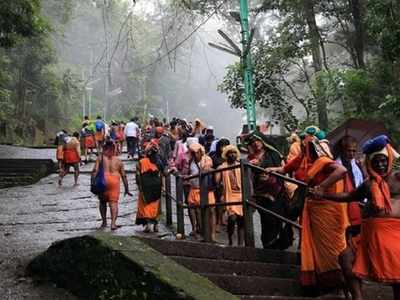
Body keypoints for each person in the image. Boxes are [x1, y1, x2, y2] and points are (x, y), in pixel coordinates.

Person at [312, 135, 400, 300]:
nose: (380, 165)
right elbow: (349, 196)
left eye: (383, 160)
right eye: (376, 162)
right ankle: (358, 298)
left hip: (393, 236)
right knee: (346, 257)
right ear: (369, 163)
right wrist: (324, 194)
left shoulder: (397, 178)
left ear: (389, 160)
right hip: (368, 236)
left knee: (398, 279)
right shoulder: (369, 183)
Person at [244, 131, 293, 250]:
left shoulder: (273, 154)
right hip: (261, 194)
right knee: (267, 219)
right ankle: (268, 245)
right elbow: (248, 177)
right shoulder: (250, 158)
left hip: (277, 192)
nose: (255, 144)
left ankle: (278, 245)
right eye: (252, 142)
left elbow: (283, 169)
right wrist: (250, 166)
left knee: (277, 219)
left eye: (257, 140)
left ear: (262, 141)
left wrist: (274, 172)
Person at [92, 140, 131, 230]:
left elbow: (95, 171)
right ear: (114, 149)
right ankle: (113, 224)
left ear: (105, 148)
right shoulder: (118, 160)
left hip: (103, 181)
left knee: (102, 202)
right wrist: (127, 189)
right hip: (114, 181)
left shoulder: (100, 158)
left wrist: (93, 182)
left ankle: (104, 222)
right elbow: (124, 175)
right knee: (113, 203)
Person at [186, 143, 216, 240]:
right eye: (193, 153)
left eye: (196, 153)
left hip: (206, 189)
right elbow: (189, 172)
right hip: (194, 188)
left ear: (200, 152)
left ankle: (212, 234)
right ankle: (198, 230)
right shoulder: (191, 161)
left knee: (210, 211)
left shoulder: (207, 160)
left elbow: (207, 169)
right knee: (193, 209)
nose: (195, 155)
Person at [215, 145, 244, 246]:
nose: (233, 154)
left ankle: (240, 244)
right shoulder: (222, 167)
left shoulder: (241, 166)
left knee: (241, 220)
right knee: (232, 219)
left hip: (241, 194)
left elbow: (247, 180)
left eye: (234, 152)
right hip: (229, 195)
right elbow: (217, 181)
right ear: (226, 155)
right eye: (230, 153)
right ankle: (230, 237)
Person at [135, 140, 164, 232]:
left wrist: (139, 186)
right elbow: (163, 174)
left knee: (145, 205)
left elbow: (138, 176)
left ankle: (148, 225)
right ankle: (156, 225)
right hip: (156, 186)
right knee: (156, 206)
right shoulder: (159, 162)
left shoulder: (141, 162)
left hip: (145, 187)